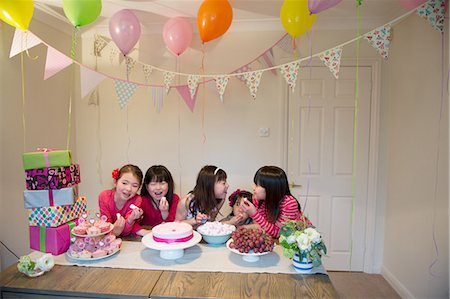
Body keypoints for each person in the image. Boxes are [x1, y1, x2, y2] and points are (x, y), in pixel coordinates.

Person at [240, 166, 310, 238]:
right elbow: (264, 226)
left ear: (270, 188)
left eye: (257, 185)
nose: (253, 188)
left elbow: (279, 233)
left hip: (298, 241)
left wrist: (254, 214)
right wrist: (246, 227)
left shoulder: (289, 203)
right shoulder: (258, 199)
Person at [98, 164, 149, 237]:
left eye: (134, 186)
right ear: (115, 182)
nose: (128, 189)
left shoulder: (137, 200)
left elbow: (125, 232)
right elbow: (105, 228)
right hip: (108, 238)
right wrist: (114, 232)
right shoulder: (104, 196)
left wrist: (131, 219)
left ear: (139, 188)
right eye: (124, 183)